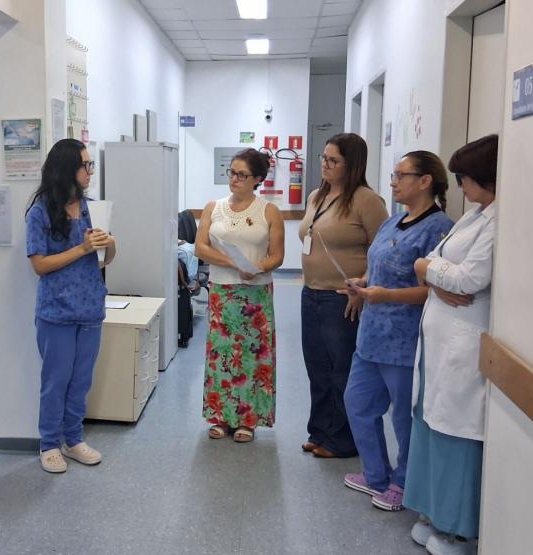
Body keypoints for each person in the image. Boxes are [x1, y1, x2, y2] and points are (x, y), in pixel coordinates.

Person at [338, 152, 454, 512]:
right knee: (357, 403)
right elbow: (378, 265)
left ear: (425, 181)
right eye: (393, 175)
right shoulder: (394, 221)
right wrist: (363, 282)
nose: (393, 182)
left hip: (404, 341)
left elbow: (436, 290)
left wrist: (386, 295)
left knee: (404, 417)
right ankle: (375, 474)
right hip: (371, 336)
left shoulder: (439, 229)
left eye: (401, 175)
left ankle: (404, 484)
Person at [404, 134, 499, 555]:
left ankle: (456, 530)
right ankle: (431, 512)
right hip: (438, 340)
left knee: (455, 433)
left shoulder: (498, 222)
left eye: (464, 177)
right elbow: (434, 264)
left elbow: (469, 279)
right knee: (429, 423)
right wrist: (429, 269)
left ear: (484, 176)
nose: (460, 186)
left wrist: (428, 269)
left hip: (462, 344)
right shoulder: (475, 215)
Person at [25, 138, 116, 473]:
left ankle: (73, 439)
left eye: (91, 165)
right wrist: (82, 248)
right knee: (56, 381)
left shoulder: (92, 208)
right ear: (66, 169)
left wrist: (110, 243)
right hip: (57, 312)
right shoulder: (40, 212)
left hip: (90, 307)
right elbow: (39, 265)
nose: (90, 171)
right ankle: (49, 443)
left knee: (81, 381)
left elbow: (104, 260)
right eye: (85, 165)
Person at [298, 133, 388, 458]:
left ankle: (342, 440)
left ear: (352, 165)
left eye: (333, 160)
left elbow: (383, 251)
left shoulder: (367, 200)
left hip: (343, 298)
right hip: (311, 294)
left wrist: (362, 288)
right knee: (317, 368)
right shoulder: (317, 196)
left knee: (341, 371)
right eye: (324, 158)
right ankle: (320, 431)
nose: (325, 164)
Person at [194, 148, 285, 443]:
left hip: (255, 295)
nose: (234, 179)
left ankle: (248, 419)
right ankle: (220, 415)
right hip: (223, 291)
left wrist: (258, 268)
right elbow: (200, 247)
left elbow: (277, 255)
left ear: (257, 178)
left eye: (242, 175)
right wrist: (234, 263)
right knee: (221, 354)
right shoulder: (214, 207)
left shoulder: (268, 211)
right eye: (231, 172)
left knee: (252, 356)